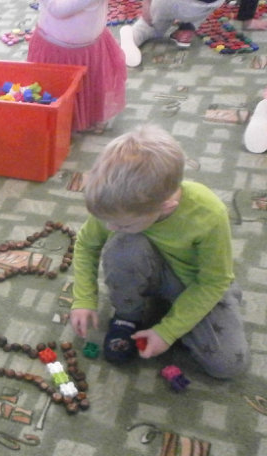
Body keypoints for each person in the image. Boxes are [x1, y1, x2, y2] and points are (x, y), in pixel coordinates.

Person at [70, 125, 249, 379]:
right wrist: (84, 299)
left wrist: (167, 331)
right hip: (146, 265)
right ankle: (127, 317)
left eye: (122, 224)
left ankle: (183, 313)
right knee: (122, 244)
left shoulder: (209, 213)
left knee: (229, 364)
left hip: (195, 284)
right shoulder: (116, 203)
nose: (110, 228)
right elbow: (87, 245)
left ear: (166, 207)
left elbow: (213, 281)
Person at [26, 0, 127, 132]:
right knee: (55, 90)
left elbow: (60, 10)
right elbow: (58, 10)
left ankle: (89, 116)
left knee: (90, 84)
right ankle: (58, 119)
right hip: (53, 46)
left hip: (88, 45)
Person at [119, 0, 224, 67]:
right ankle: (187, 30)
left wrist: (147, 5)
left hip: (170, 3)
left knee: (149, 27)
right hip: (206, 6)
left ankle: (132, 35)